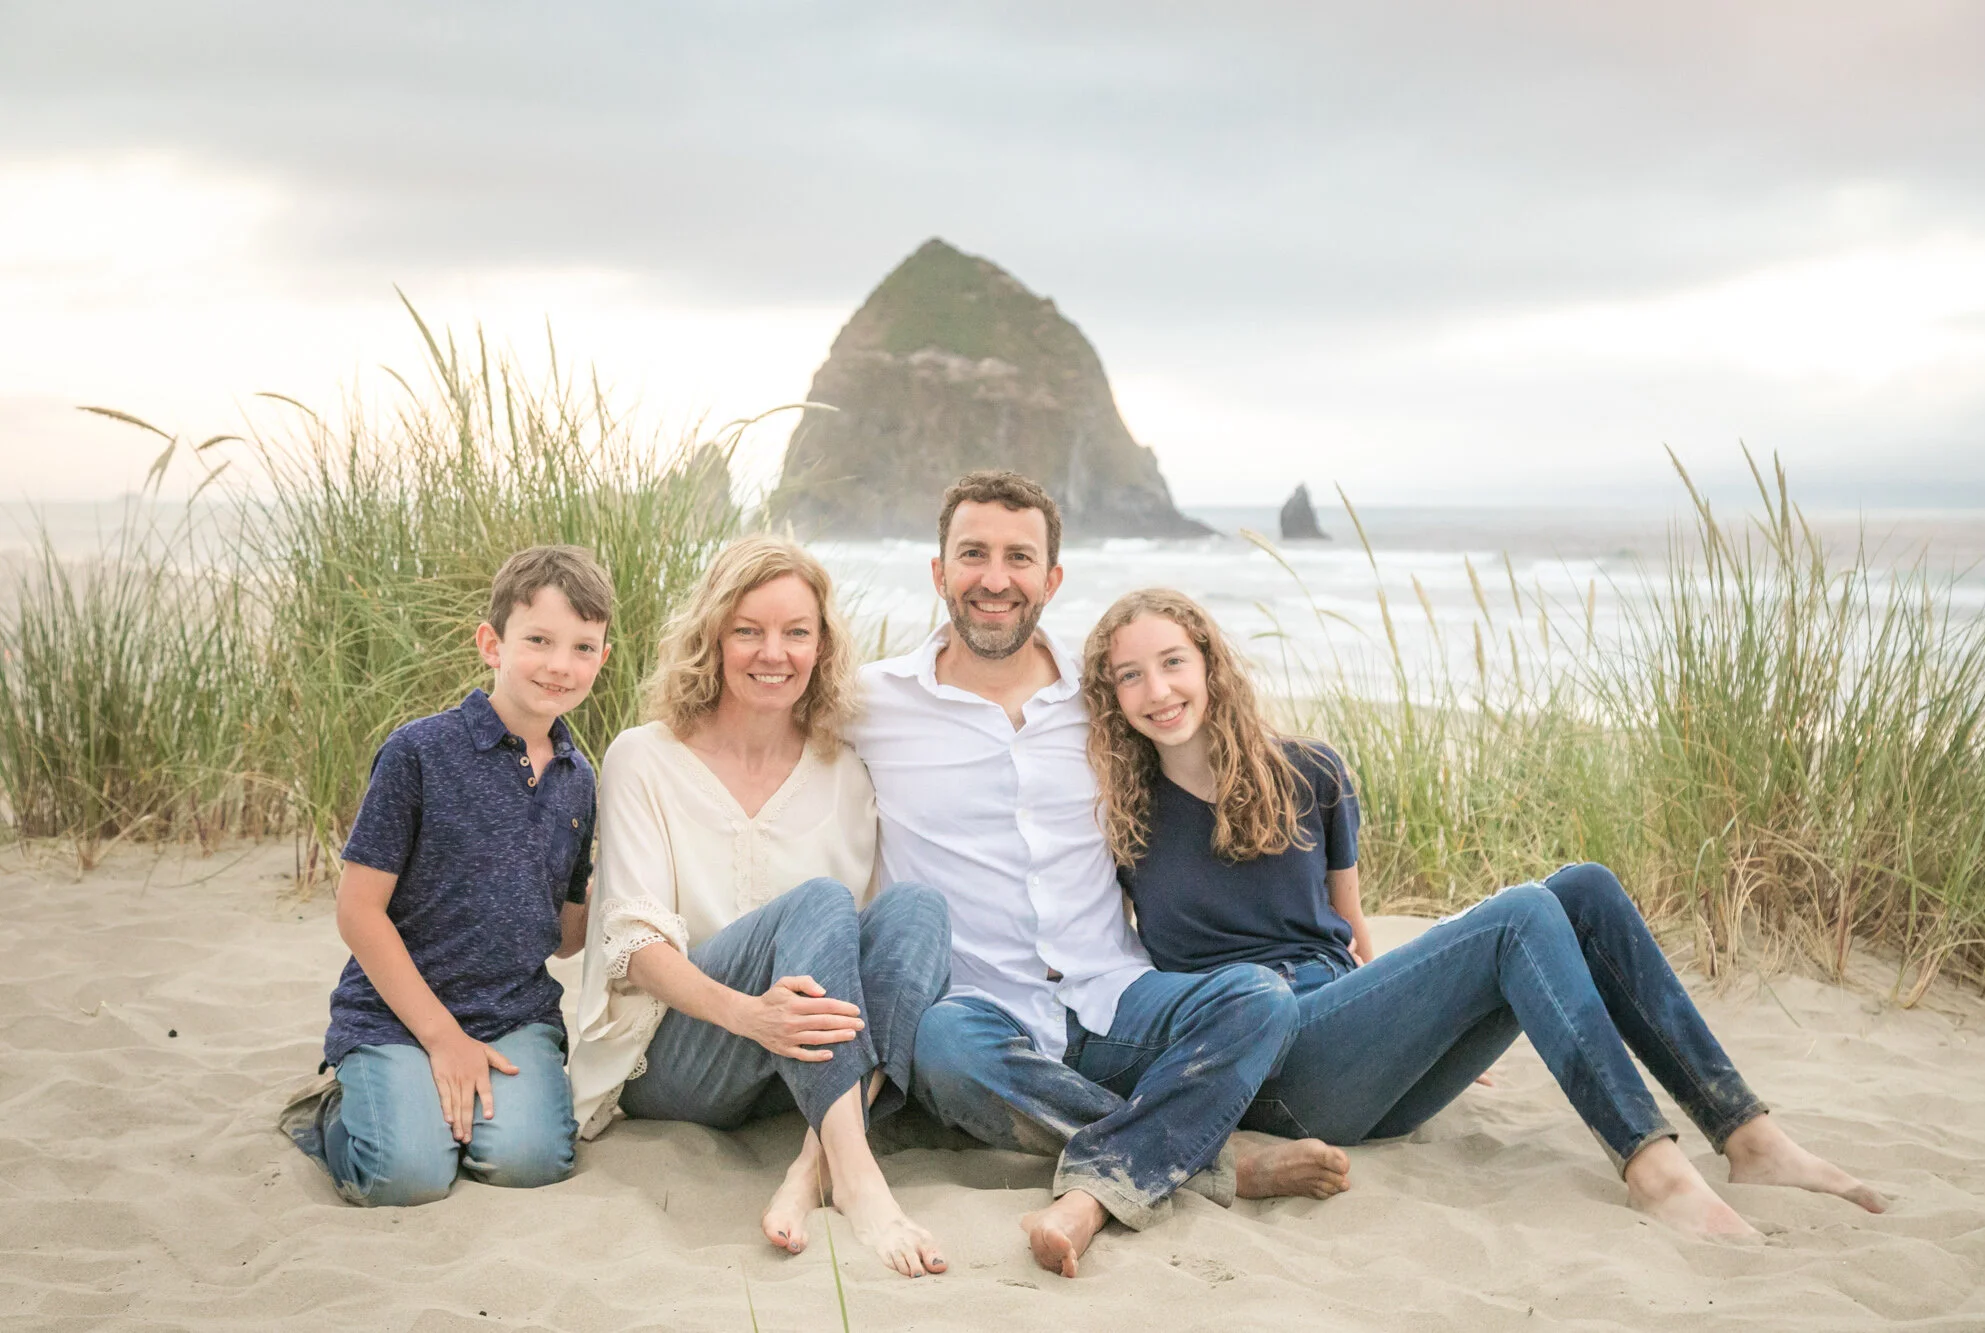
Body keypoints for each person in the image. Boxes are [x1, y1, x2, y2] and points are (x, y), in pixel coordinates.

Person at [1081, 586, 1889, 1240]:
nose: (1158, 691)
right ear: (1111, 698)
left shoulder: (1312, 770)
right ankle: (1654, 1169)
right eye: (1130, 676)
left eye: (1173, 662)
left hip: (1362, 1054)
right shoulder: (1121, 815)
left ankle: (1747, 1135)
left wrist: (1424, 1018)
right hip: (1268, 1064)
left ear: (1211, 665)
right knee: (1519, 915)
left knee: (1586, 887)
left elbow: (1349, 932)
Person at [849, 471, 1351, 1279]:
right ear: (939, 572)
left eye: (1020, 557)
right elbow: (760, 723)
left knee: (1258, 994)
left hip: (1114, 998)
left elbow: (1214, 745)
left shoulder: (1102, 701)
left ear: (1051, 580)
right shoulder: (872, 701)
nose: (995, 577)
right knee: (939, 1043)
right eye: (973, 553)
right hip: (987, 1018)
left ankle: (1125, 1172)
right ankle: (1216, 1162)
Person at [570, 536, 951, 1278]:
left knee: (918, 909)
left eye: (795, 632)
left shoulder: (844, 769)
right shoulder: (643, 757)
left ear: (822, 646)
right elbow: (635, 947)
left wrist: (782, 1022)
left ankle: (812, 1165)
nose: (771, 652)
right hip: (677, 1055)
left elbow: (862, 975)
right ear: (712, 636)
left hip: (791, 1071)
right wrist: (751, 1016)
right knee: (816, 901)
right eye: (748, 630)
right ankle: (861, 1178)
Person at [286, 545, 613, 1206]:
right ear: (492, 644)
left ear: (602, 659)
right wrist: (442, 1038)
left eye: (583, 647)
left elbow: (564, 939)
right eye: (539, 640)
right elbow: (357, 912)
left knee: (532, 1161)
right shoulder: (419, 752)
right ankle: (334, 1109)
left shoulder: (582, 781)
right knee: (404, 1175)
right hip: (397, 1012)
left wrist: (612, 877)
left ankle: (435, 1108)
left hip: (513, 1013)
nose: (560, 664)